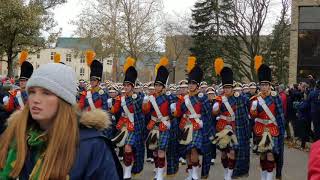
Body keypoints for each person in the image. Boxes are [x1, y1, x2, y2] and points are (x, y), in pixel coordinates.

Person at [0, 63, 121, 179]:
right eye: (32, 92)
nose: (35, 99)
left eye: (46, 93)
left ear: (63, 101)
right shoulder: (20, 136)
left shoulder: (92, 145)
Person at [173, 56, 214, 180]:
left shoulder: (203, 97)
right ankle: (190, 174)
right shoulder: (183, 98)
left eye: (193, 84)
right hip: (186, 126)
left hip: (198, 127)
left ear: (197, 85)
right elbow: (178, 114)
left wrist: (203, 123)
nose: (190, 86)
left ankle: (195, 175)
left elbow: (208, 114)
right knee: (187, 151)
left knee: (194, 149)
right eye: (189, 83)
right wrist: (175, 110)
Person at [212, 58, 250, 180]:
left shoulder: (239, 98)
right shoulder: (219, 98)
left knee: (233, 151)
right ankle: (226, 170)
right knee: (223, 153)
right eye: (225, 87)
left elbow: (247, 103)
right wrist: (216, 108)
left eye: (229, 87)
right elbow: (214, 113)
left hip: (235, 128)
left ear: (232, 88)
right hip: (222, 127)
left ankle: (230, 174)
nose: (227, 89)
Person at [249, 56, 285, 180]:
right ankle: (263, 177)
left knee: (270, 154)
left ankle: (269, 178)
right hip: (260, 128)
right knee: (263, 155)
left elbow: (280, 116)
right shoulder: (255, 99)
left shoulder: (276, 97)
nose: (263, 87)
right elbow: (252, 117)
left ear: (269, 85)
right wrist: (253, 109)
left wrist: (282, 132)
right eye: (262, 84)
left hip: (272, 128)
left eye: (266, 84)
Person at [142, 57, 178, 179]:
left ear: (163, 87)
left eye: (159, 85)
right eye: (155, 85)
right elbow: (145, 111)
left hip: (164, 125)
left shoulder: (169, 97)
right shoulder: (150, 97)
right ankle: (158, 170)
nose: (156, 87)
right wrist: (145, 103)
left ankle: (160, 174)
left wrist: (173, 110)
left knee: (162, 150)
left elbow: (174, 114)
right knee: (155, 151)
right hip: (153, 125)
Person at [110, 57, 145, 180]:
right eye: (124, 85)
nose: (125, 87)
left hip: (136, 127)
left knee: (130, 148)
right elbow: (115, 111)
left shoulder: (139, 97)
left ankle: (128, 171)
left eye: (128, 85)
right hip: (125, 127)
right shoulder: (121, 98)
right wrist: (111, 106)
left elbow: (142, 112)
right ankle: (127, 171)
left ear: (132, 86)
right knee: (127, 149)